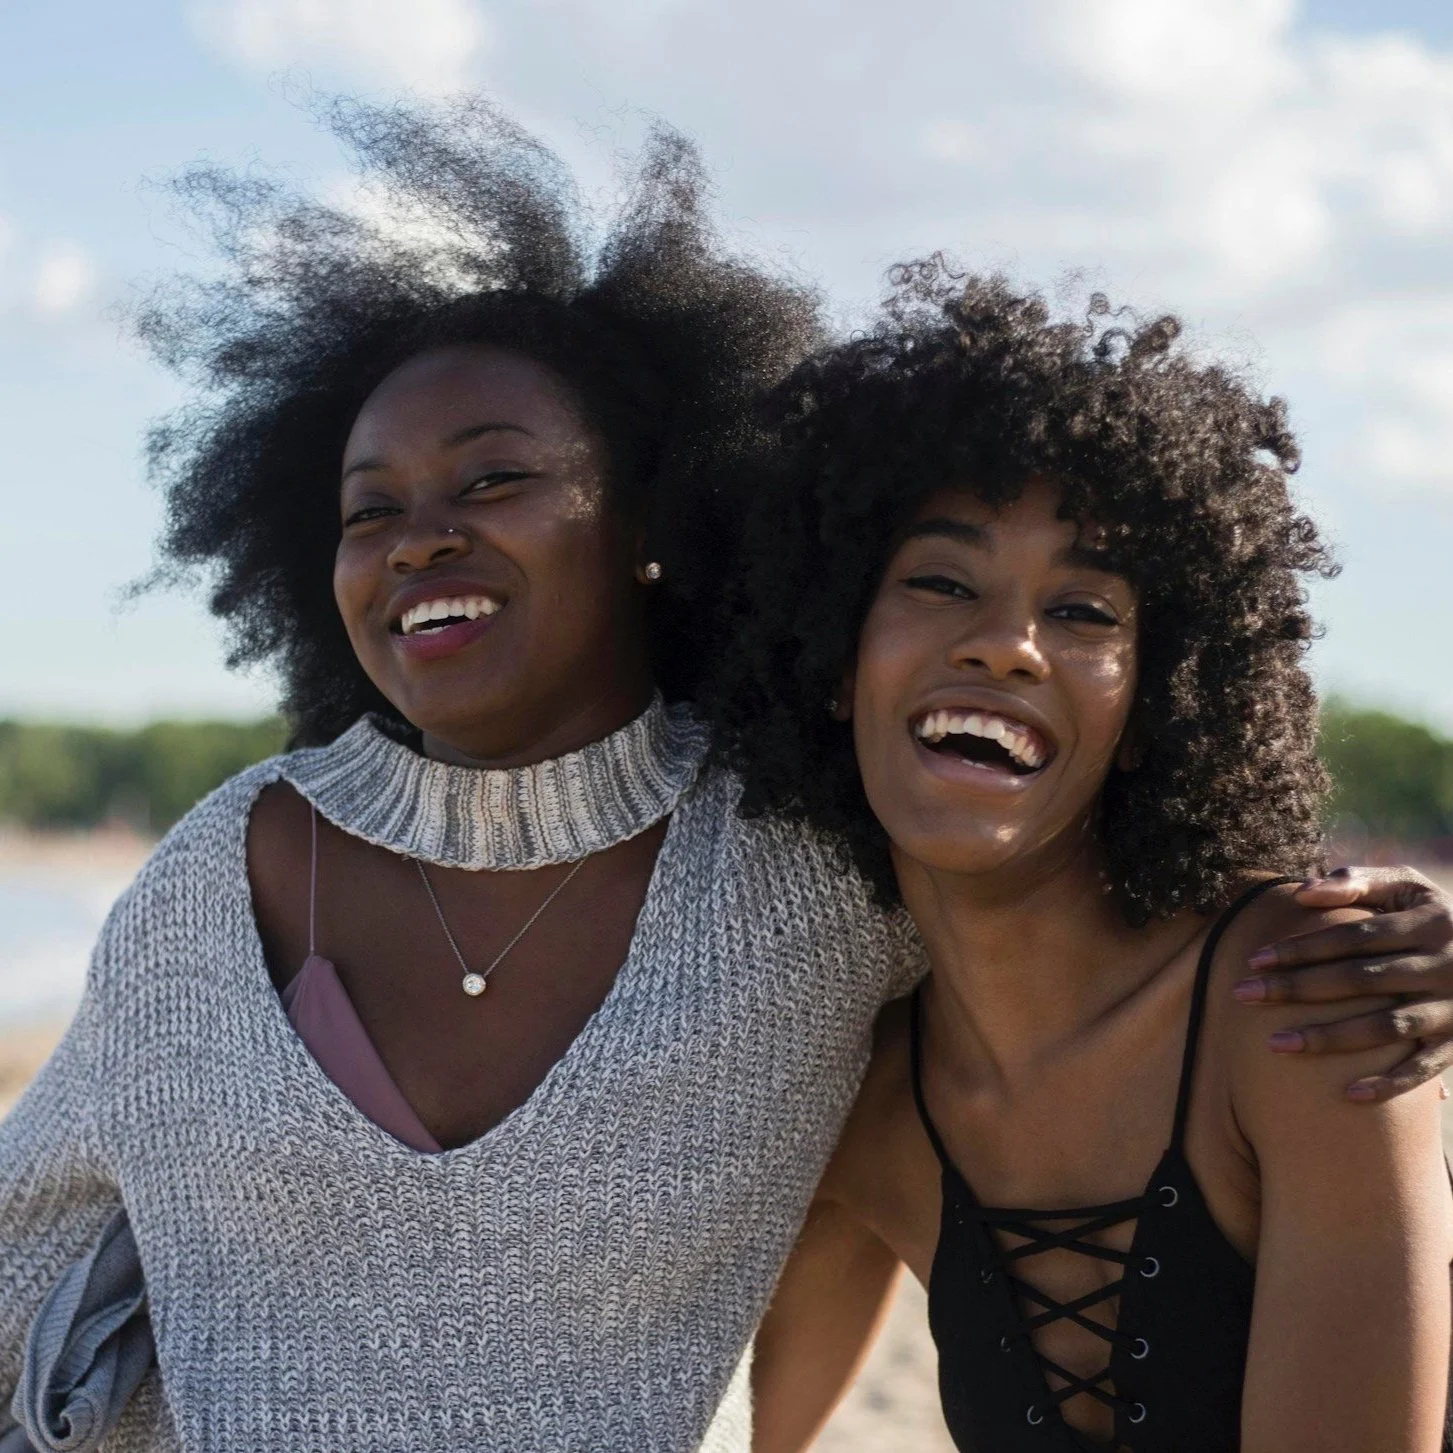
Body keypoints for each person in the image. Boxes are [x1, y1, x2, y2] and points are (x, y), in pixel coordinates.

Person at [1, 101, 1451, 1452]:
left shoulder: (805, 872)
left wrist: (1400, 934)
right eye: (369, 508)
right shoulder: (218, 874)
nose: (421, 534)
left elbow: (1061, 921)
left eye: (495, 479)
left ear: (654, 522)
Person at [713, 266, 1453, 1451]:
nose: (1005, 644)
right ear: (831, 653)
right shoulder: (859, 1097)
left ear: (1153, 700)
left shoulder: (1302, 1000)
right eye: (940, 581)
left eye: (1085, 612)